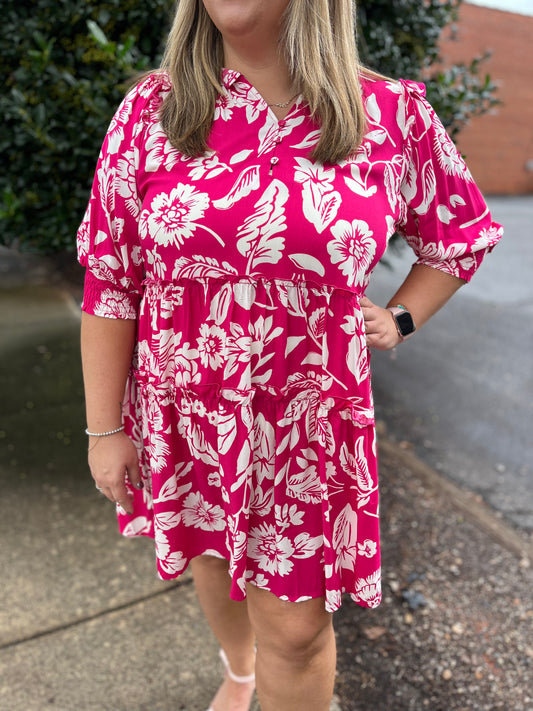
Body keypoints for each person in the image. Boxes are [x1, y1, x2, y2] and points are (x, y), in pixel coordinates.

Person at [77, 1, 502, 709]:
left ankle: (265, 668)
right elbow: (112, 277)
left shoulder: (388, 115)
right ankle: (238, 668)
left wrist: (400, 315)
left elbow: (459, 235)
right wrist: (104, 430)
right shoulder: (152, 111)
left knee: (298, 631)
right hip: (185, 412)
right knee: (208, 552)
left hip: (309, 430)